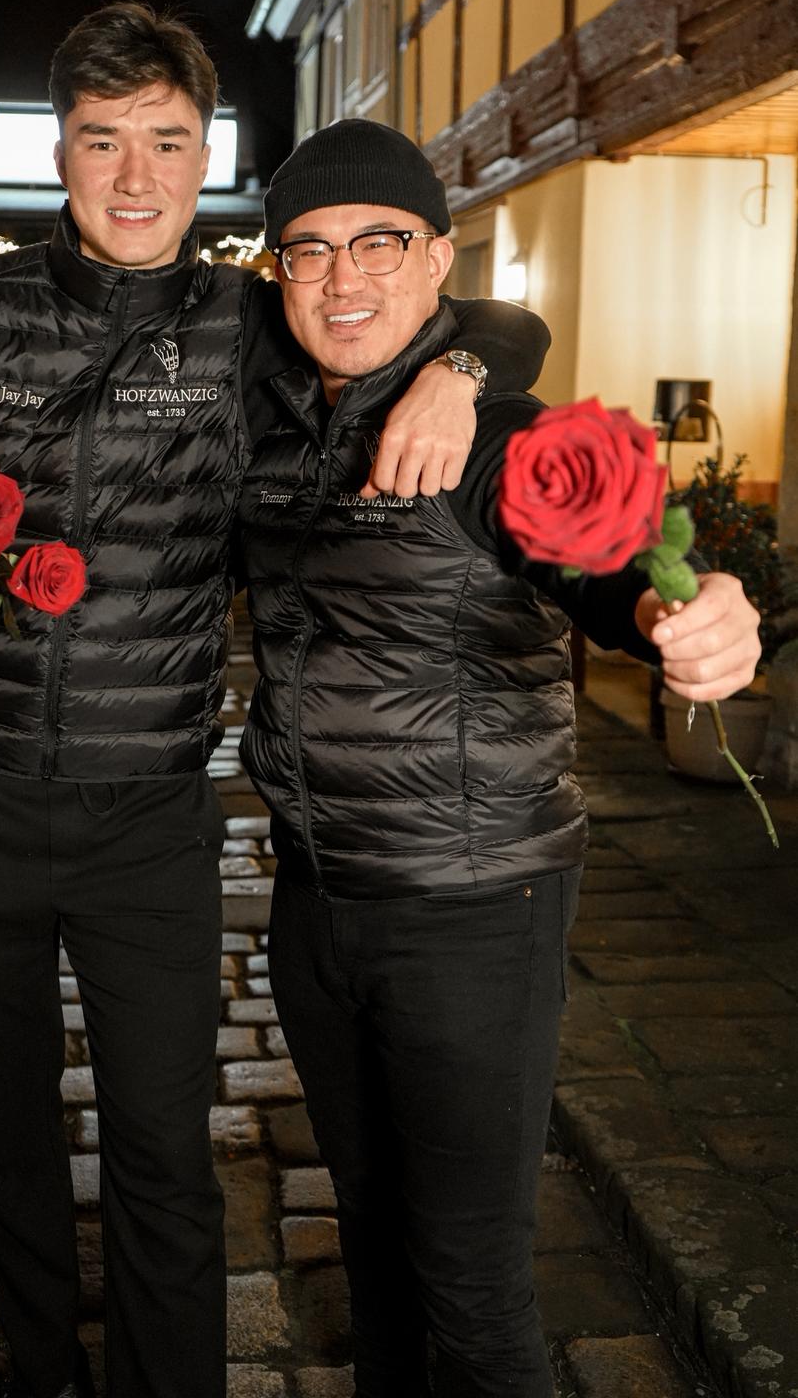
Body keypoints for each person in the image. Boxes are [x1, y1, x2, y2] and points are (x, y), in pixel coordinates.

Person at [0, 5, 551, 1398]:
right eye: (103, 142)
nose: (136, 177)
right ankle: (41, 1370)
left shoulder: (245, 328)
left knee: (163, 1146)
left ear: (203, 155)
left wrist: (458, 373)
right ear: (62, 156)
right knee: (4, 1133)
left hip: (148, 815)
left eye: (166, 142)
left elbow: (475, 316)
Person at [236, 118, 763, 1398]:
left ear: (437, 258)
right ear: (276, 273)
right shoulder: (270, 406)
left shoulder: (498, 433)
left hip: (471, 907)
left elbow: (598, 560)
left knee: (471, 1288)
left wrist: (677, 614)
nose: (343, 276)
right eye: (307, 251)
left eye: (379, 242)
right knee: (368, 1245)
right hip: (314, 898)